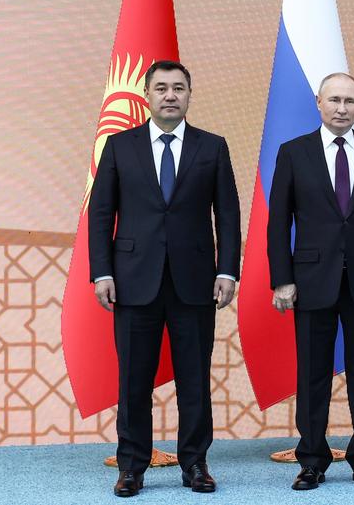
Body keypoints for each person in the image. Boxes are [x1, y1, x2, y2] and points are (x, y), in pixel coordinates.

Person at [88, 60, 241, 497]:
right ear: (147, 95)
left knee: (195, 379)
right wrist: (102, 272)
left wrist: (227, 269)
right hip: (133, 280)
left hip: (196, 281)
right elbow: (101, 214)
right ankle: (132, 466)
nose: (170, 95)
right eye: (161, 88)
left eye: (178, 88)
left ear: (189, 94)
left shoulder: (212, 147)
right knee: (133, 380)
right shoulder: (119, 146)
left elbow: (227, 215)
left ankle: (195, 464)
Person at [267, 72, 354, 490]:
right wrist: (282, 279)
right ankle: (312, 459)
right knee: (312, 374)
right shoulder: (293, 153)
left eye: (349, 101)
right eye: (334, 100)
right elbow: (278, 223)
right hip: (311, 281)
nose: (342, 109)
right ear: (319, 102)